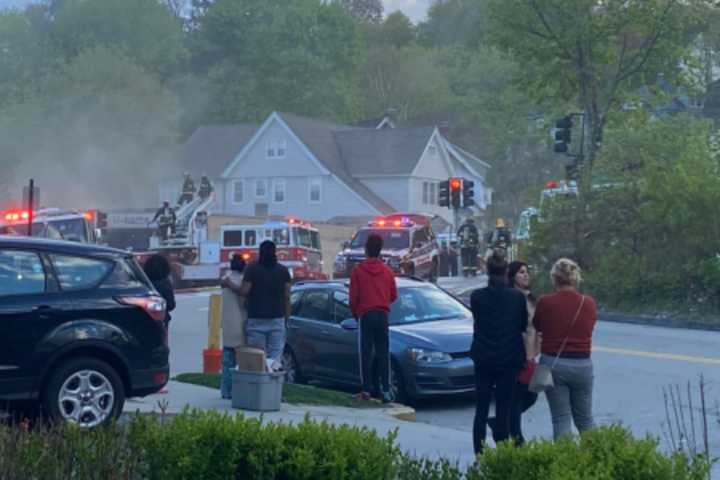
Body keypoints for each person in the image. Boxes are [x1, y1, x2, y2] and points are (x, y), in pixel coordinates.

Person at [533, 258, 597, 439]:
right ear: (575, 277)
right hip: (583, 364)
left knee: (561, 418)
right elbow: (590, 327)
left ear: (554, 278)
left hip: (554, 364)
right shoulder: (588, 303)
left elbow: (537, 326)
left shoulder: (546, 302)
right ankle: (596, 457)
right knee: (585, 419)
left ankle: (565, 462)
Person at [470, 254, 527, 455]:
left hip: (484, 357)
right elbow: (522, 326)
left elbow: (478, 321)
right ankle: (503, 453)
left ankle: (479, 453)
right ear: (505, 273)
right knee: (504, 407)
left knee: (481, 407)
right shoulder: (517, 298)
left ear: (488, 272)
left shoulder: (476, 297)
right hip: (509, 357)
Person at [488, 261, 542, 445]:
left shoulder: (529, 297)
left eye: (527, 272)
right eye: (521, 272)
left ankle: (500, 423)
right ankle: (516, 437)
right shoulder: (512, 298)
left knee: (531, 394)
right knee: (518, 396)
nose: (526, 275)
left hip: (531, 353)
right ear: (511, 276)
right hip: (517, 353)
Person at [349, 233, 398, 403]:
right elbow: (393, 295)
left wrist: (356, 313)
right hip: (382, 314)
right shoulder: (387, 271)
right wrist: (382, 300)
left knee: (366, 353)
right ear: (380, 250)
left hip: (366, 314)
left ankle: (367, 390)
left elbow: (353, 297)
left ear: (366, 250)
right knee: (383, 352)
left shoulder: (358, 271)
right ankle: (386, 389)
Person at [225, 240, 291, 365]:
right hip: (277, 320)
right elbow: (287, 297)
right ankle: (272, 383)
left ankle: (258, 383)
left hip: (256, 320)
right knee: (274, 360)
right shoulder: (283, 271)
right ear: (275, 253)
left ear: (260, 252)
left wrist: (229, 283)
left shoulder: (252, 268)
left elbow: (244, 291)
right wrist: (286, 319)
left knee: (257, 359)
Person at [219, 255, 247, 399]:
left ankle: (225, 390)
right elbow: (243, 303)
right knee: (239, 362)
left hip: (228, 324)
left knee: (227, 361)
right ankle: (236, 390)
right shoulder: (242, 281)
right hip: (240, 323)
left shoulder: (226, 278)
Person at [143, 254, 175, 329]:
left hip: (143, 319)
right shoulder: (165, 284)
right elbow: (171, 305)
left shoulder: (142, 283)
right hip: (161, 320)